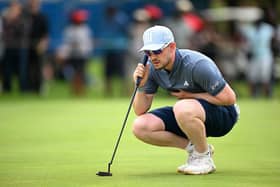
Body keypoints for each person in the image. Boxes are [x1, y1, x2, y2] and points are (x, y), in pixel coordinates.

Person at [132, 25, 240, 175]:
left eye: (157, 51)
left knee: (182, 107)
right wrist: (141, 86)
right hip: (188, 113)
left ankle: (204, 159)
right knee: (140, 126)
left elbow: (229, 98)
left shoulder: (196, 64)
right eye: (148, 53)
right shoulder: (151, 68)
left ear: (172, 47)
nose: (153, 56)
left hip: (224, 114)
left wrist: (191, 96)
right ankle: (197, 149)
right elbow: (140, 110)